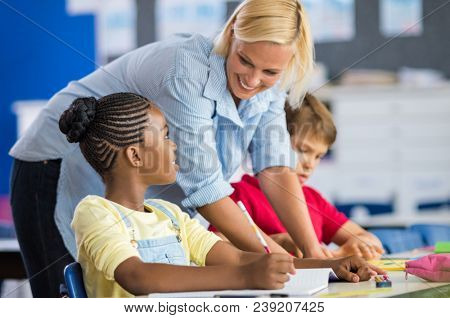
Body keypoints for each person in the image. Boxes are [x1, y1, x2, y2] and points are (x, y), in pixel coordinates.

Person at [10, 0, 331, 297]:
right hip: (55, 164)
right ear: (232, 32)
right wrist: (273, 262)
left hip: (130, 197)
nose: (252, 79)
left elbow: (275, 168)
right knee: (64, 295)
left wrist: (315, 255)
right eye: (244, 60)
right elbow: (206, 189)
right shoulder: (185, 72)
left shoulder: (270, 84)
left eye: (269, 73)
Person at [62, 93, 383, 297]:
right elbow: (138, 276)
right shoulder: (95, 212)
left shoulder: (170, 215)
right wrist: (246, 276)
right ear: (134, 156)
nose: (174, 145)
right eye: (165, 136)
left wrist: (329, 267)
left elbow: (243, 258)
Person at [210, 93, 385, 260]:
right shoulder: (239, 195)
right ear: (274, 144)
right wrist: (277, 241)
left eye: (318, 156)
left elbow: (371, 241)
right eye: (302, 150)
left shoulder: (313, 200)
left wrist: (357, 246)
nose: (310, 164)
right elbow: (211, 245)